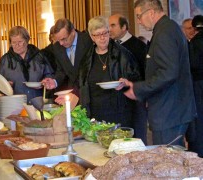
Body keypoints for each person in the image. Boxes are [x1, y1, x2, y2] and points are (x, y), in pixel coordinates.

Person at [116, 0, 196, 146]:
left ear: (151, 13)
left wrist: (138, 89)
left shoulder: (165, 32)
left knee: (168, 162)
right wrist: (136, 85)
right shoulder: (166, 28)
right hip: (170, 109)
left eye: (139, 16)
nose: (138, 21)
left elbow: (168, 73)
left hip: (169, 111)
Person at [78, 16, 140, 126]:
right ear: (92, 37)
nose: (102, 38)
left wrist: (126, 82)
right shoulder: (87, 59)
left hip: (119, 112)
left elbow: (136, 79)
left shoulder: (123, 54)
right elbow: (82, 86)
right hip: (95, 115)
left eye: (105, 33)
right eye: (98, 34)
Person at [108, 14, 148, 144]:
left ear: (124, 27)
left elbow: (145, 73)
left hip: (136, 98)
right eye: (108, 26)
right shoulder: (110, 46)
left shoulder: (139, 46)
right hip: (118, 101)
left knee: (137, 137)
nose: (109, 29)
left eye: (113, 25)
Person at [0, 26, 53, 103]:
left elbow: (50, 75)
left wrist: (44, 82)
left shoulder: (39, 56)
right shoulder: (5, 60)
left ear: (26, 40)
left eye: (20, 42)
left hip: (37, 102)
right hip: (14, 105)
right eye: (13, 42)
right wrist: (5, 86)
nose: (17, 45)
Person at [42, 18, 93, 94]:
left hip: (89, 90)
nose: (61, 43)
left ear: (72, 31)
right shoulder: (57, 48)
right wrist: (54, 81)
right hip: (72, 92)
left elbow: (90, 70)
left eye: (64, 39)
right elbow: (61, 71)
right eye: (58, 40)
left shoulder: (88, 41)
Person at [187, 15, 203, 157]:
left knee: (199, 125)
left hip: (198, 87)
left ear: (193, 29)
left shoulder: (194, 43)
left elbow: (191, 65)